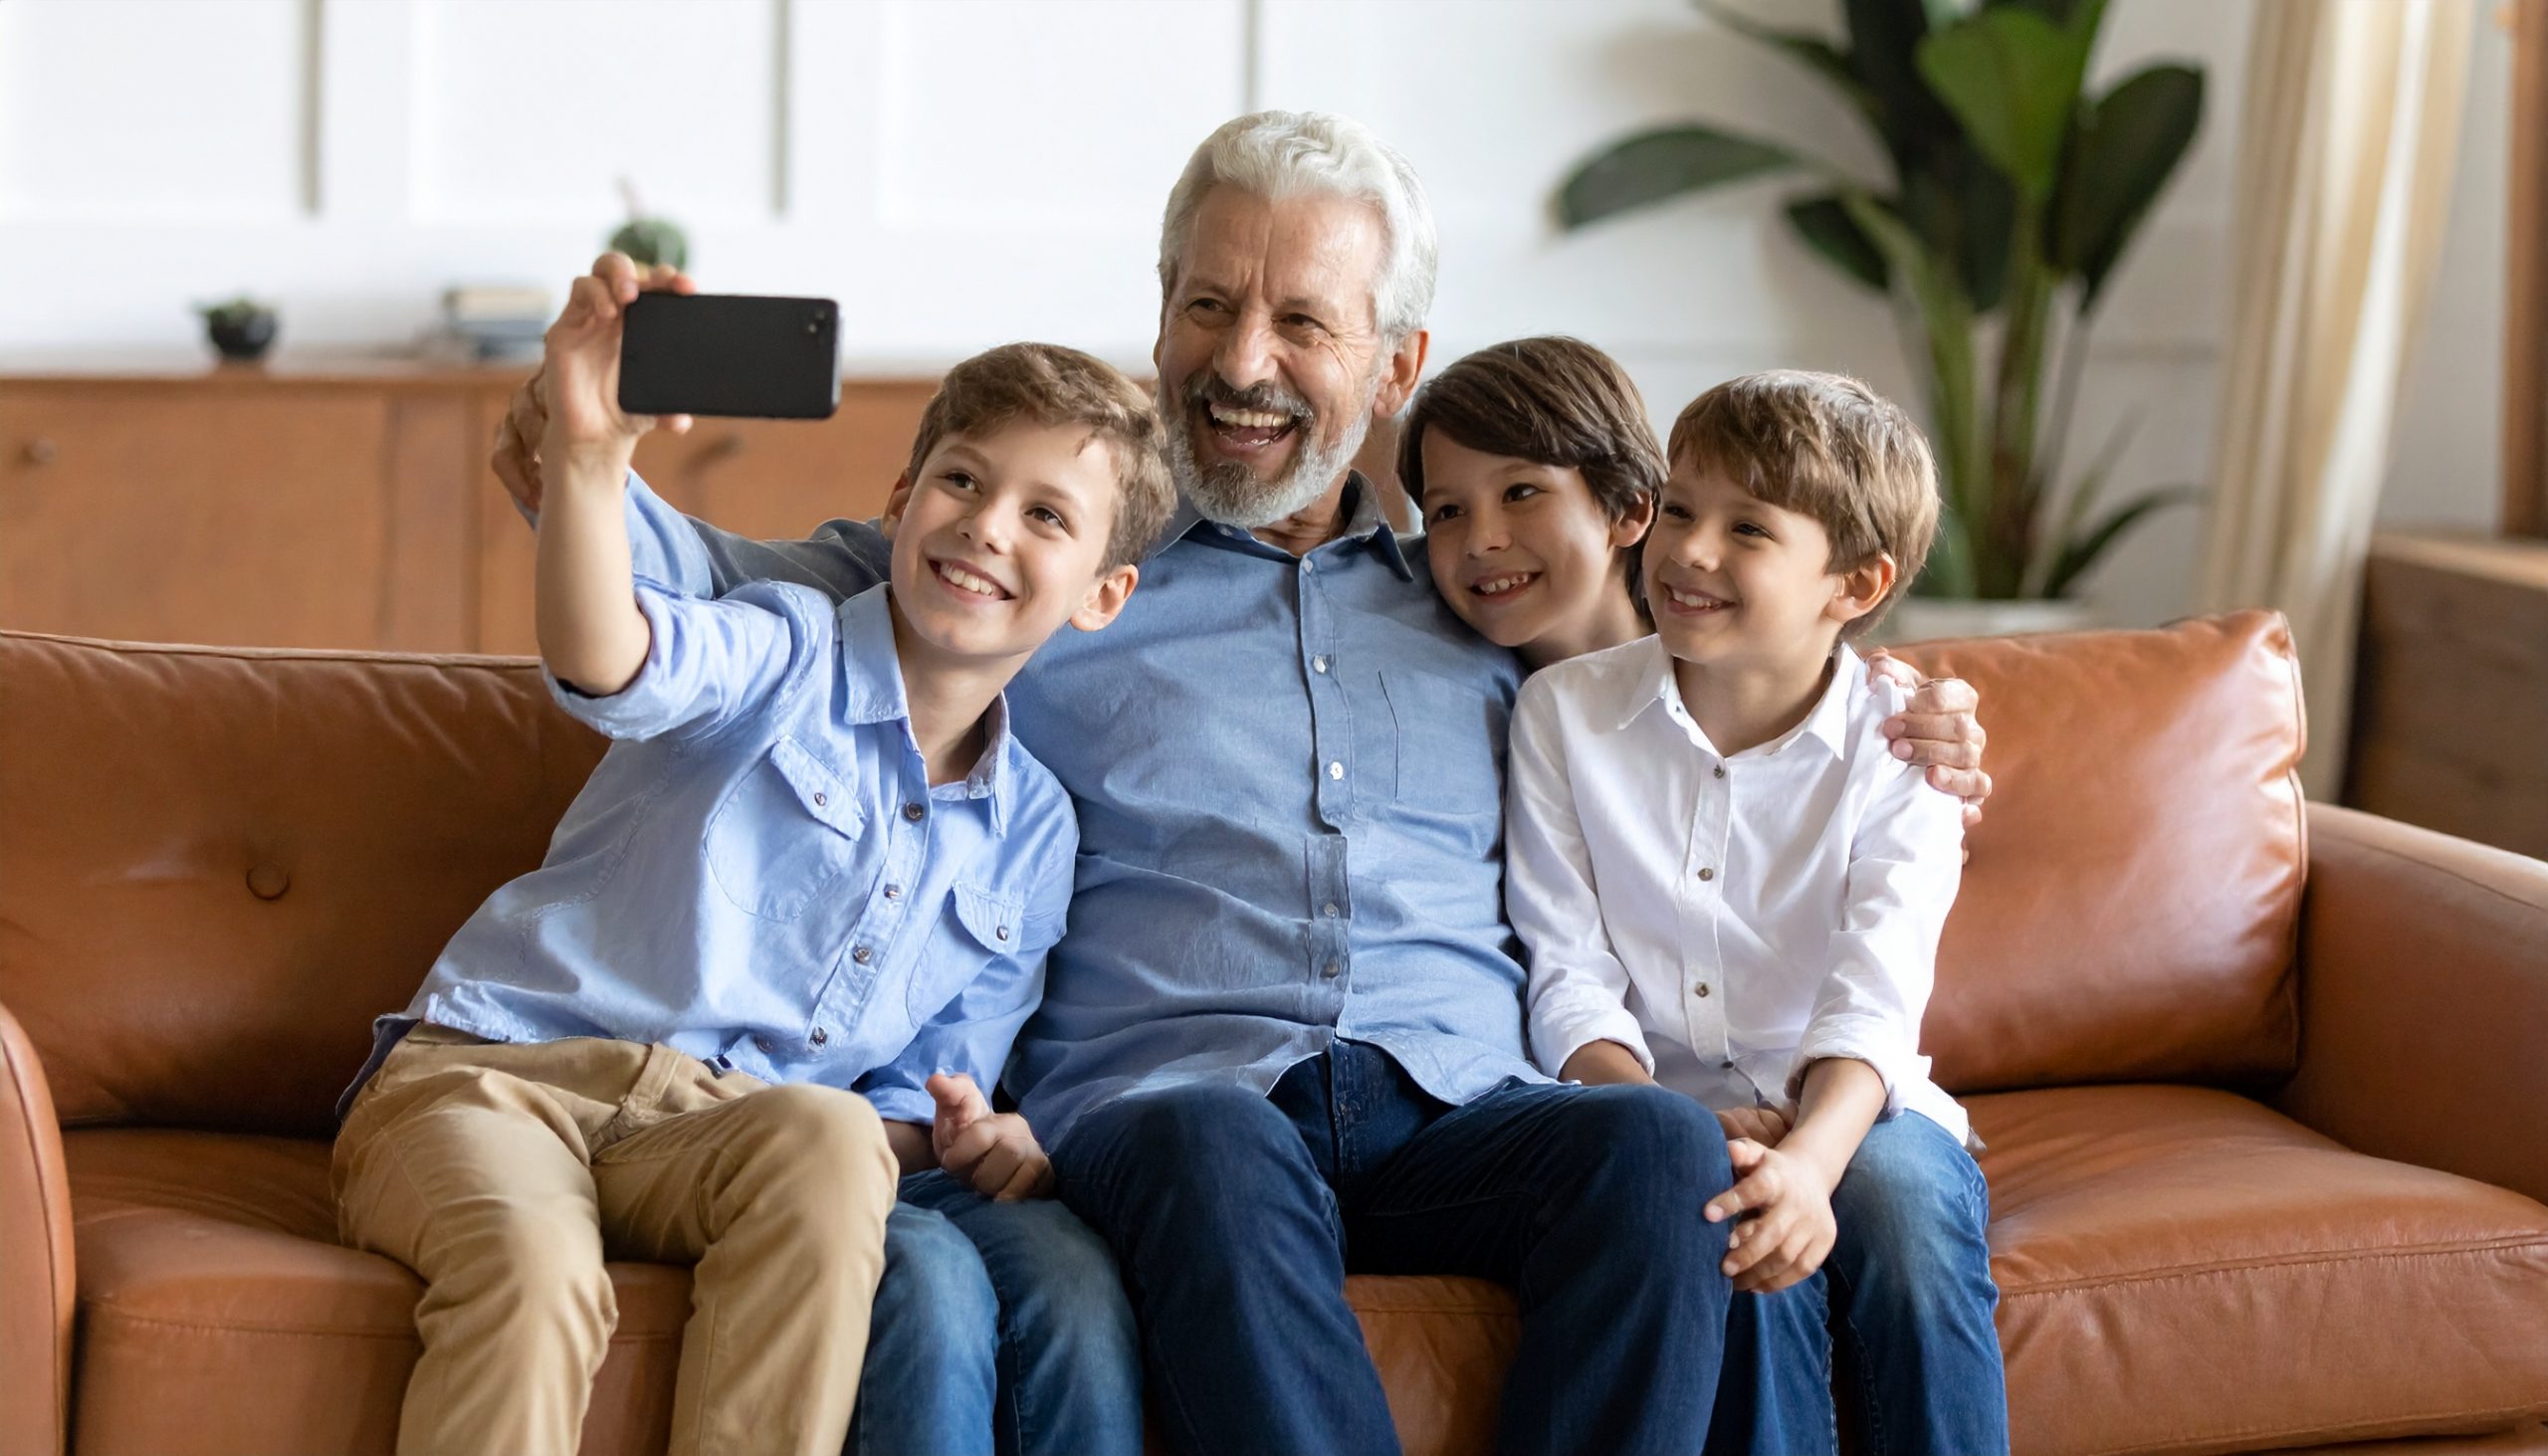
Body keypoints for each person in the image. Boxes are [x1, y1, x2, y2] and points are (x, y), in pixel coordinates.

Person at [494, 111, 1993, 1456]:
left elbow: (1738, 669)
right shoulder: (1054, 564)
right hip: (1175, 1106)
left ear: (1395, 365)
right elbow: (692, 585)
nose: (1241, 360)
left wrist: (1906, 703)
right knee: (1210, 1131)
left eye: (1302, 321)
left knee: (1655, 1140)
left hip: (1457, 1106)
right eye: (1207, 304)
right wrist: (573, 455)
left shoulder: (1485, 599)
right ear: (1160, 319)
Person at [335, 287, 1172, 1456]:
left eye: (1045, 514)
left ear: (1101, 594)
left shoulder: (1032, 834)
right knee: (539, 1276)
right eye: (963, 480)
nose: (987, 527)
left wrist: (967, 1135)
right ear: (900, 499)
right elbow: (612, 655)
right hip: (495, 1077)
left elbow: (910, 1108)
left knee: (834, 1139)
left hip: (714, 1139)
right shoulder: (783, 646)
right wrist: (589, 457)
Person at [1498, 368, 2007, 1454]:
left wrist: (1811, 1160)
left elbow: (1877, 987)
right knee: (1735, 1231)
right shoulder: (1562, 714)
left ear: (1854, 583)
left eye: (1748, 528)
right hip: (1653, 1119)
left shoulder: (1903, 745)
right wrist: (1665, 1124)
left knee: (1903, 1211)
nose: (1689, 550)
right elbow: (1567, 972)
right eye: (1679, 508)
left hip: (1858, 1113)